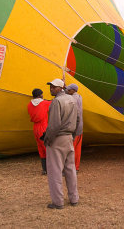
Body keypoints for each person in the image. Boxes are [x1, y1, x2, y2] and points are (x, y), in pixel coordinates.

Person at [44, 78, 79, 209]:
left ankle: (58, 202)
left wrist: (47, 139)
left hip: (57, 138)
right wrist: (73, 136)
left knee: (55, 170)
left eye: (53, 87)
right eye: (50, 86)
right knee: (70, 169)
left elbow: (54, 125)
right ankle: (74, 198)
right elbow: (78, 119)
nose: (51, 89)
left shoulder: (56, 101)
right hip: (69, 138)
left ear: (60, 88)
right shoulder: (73, 100)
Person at [27, 88, 51, 175]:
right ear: (40, 95)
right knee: (48, 148)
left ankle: (44, 170)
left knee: (40, 148)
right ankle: (51, 169)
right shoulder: (44, 103)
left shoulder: (29, 104)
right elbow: (55, 102)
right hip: (43, 127)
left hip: (35, 128)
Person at [66, 83, 83, 172]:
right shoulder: (79, 97)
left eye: (69, 90)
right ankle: (74, 167)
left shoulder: (72, 98)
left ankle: (74, 168)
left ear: (73, 90)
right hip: (79, 127)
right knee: (76, 148)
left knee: (73, 149)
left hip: (75, 128)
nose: (67, 91)